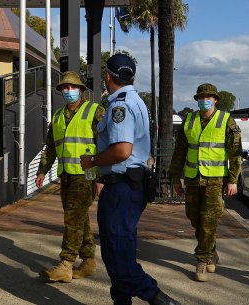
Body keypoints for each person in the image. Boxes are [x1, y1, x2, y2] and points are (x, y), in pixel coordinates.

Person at [80, 53, 180, 305]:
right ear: (132, 76)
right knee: (120, 251)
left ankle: (157, 298)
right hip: (129, 185)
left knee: (117, 257)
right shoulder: (137, 100)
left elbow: (121, 151)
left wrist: (93, 161)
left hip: (122, 188)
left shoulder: (120, 104)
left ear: (107, 76)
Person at [169, 83, 243, 282]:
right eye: (201, 97)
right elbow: (180, 151)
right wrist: (176, 177)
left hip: (216, 179)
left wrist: (233, 180)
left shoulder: (226, 120)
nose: (204, 100)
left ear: (216, 100)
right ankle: (210, 250)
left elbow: (235, 154)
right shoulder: (190, 119)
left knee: (209, 220)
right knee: (194, 218)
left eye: (208, 97)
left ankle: (202, 261)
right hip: (193, 178)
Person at [36, 71, 105, 283]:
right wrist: (42, 170)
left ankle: (66, 263)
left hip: (87, 174)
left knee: (72, 218)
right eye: (64, 88)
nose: (68, 91)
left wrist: (100, 178)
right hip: (66, 173)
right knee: (79, 217)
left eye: (72, 87)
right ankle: (88, 261)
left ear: (81, 90)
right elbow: (51, 146)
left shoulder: (95, 111)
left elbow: (105, 144)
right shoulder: (57, 116)